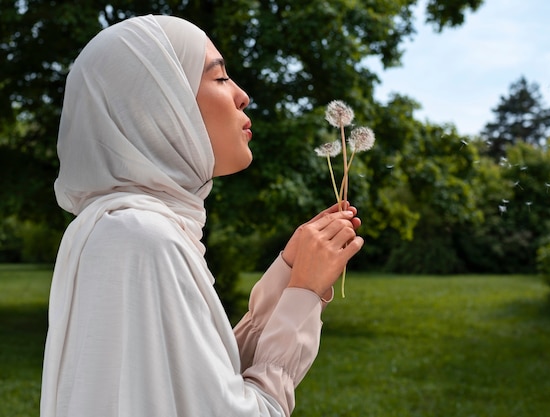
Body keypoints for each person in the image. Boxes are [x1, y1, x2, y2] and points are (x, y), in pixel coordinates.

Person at [40, 14, 364, 417]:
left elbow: (198, 384)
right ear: (161, 104)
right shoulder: (143, 237)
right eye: (220, 78)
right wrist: (305, 295)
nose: (242, 95)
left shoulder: (120, 228)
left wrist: (288, 275)